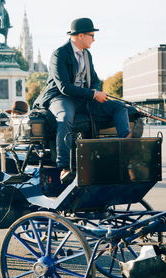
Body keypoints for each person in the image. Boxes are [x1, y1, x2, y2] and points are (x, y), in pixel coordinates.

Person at [33, 17, 131, 179]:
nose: (94, 38)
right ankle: (64, 166)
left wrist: (96, 91)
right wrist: (93, 94)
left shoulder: (87, 55)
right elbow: (64, 87)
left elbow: (95, 79)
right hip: (60, 97)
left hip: (83, 98)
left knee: (120, 108)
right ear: (80, 36)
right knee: (64, 118)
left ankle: (122, 151)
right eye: (91, 35)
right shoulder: (59, 54)